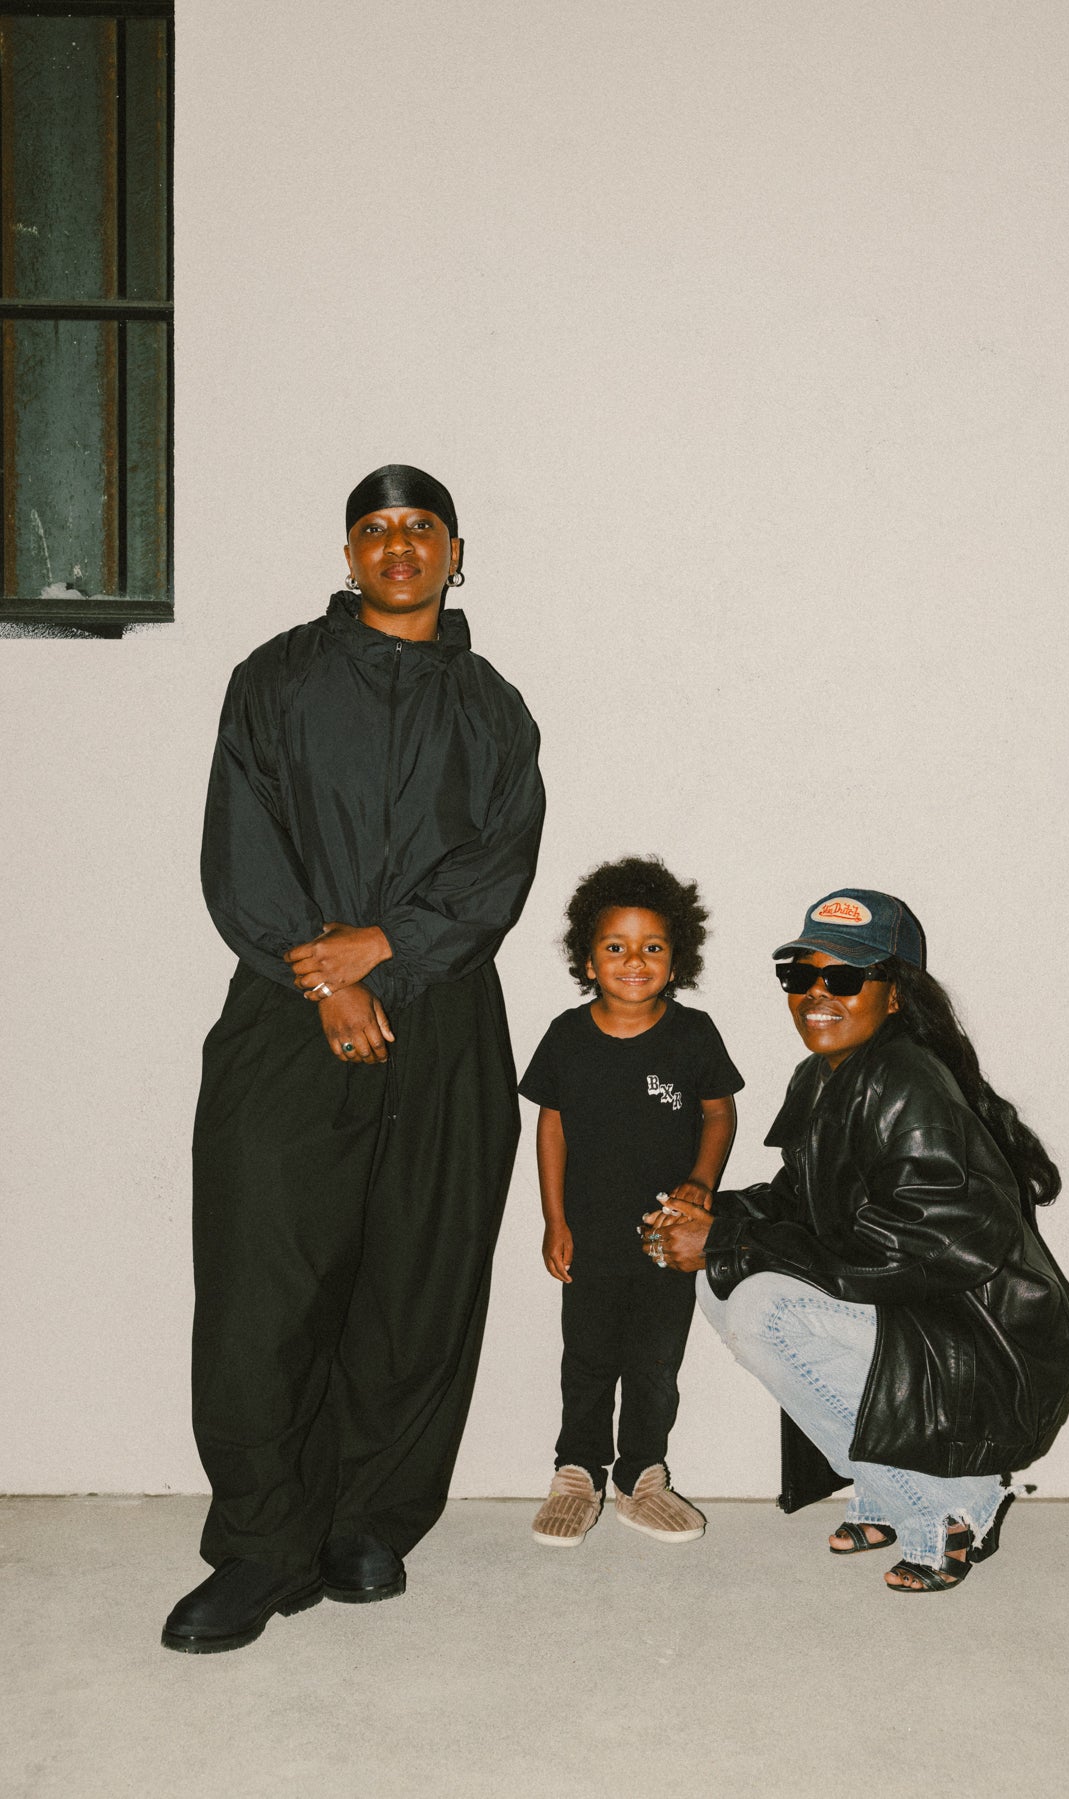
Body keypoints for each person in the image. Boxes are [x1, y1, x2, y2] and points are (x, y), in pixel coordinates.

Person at [162, 465, 545, 1653]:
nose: (398, 544)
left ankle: (367, 1520)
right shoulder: (274, 680)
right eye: (374, 528)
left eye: (420, 526)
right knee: (261, 1285)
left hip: (445, 1019)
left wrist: (387, 951)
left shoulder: (494, 709)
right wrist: (325, 976)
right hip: (288, 1008)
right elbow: (242, 841)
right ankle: (260, 1544)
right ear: (348, 554)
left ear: (455, 552)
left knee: (417, 1284)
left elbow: (500, 864)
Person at [643, 888, 1069, 1594]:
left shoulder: (908, 1081)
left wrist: (728, 1239)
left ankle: (955, 1508)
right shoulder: (824, 1075)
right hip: (923, 1314)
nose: (816, 994)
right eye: (800, 974)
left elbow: (918, 1247)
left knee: (765, 1307)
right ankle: (883, 1492)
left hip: (985, 1340)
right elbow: (800, 1199)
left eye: (845, 977)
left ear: (895, 994)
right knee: (722, 1283)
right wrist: (704, 1215)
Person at [518, 856, 744, 1547]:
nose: (634, 961)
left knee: (654, 1363)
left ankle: (642, 1475)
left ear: (676, 961)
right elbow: (550, 1125)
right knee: (586, 1358)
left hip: (665, 1238)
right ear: (588, 960)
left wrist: (701, 1184)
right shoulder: (567, 1036)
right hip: (587, 1235)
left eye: (652, 947)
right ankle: (577, 1472)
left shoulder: (693, 1034)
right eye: (616, 947)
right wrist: (554, 1219)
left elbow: (720, 1112)